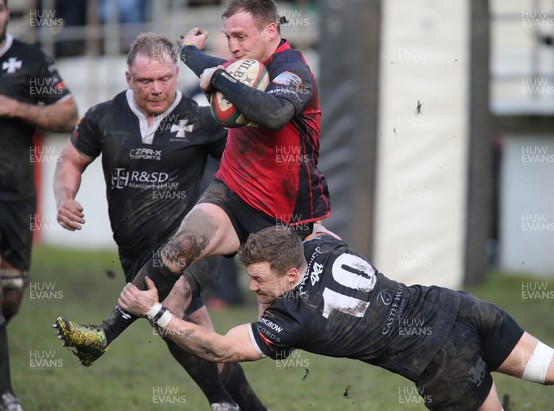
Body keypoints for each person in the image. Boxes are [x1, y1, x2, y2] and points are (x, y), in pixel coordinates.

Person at [54, 0, 330, 375]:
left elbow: (274, 113)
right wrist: (188, 53)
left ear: (270, 31)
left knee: (281, 327)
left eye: (240, 37)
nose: (232, 46)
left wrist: (217, 76)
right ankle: (103, 335)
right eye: (228, 36)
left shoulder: (293, 70)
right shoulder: (238, 67)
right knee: (180, 247)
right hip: (232, 191)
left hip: (285, 209)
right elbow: (212, 68)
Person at [119, 225, 554, 411]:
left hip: (442, 360)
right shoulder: (321, 245)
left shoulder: (293, 321)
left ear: (290, 273)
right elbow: (315, 223)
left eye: (260, 279)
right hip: (459, 307)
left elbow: (218, 347)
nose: (252, 287)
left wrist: (156, 312)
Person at [52, 32, 266, 411]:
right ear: (128, 78)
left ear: (174, 73)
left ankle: (220, 403)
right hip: (134, 253)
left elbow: (244, 162)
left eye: (165, 79)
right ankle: (249, 407)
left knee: (167, 306)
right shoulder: (104, 117)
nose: (156, 89)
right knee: (199, 335)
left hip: (189, 244)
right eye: (146, 81)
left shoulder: (202, 118)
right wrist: (65, 198)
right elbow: (70, 160)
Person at [0, 0, 79, 409]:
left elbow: (69, 115)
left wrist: (15, 108)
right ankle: (6, 395)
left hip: (14, 196)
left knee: (10, 295)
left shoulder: (29, 61)